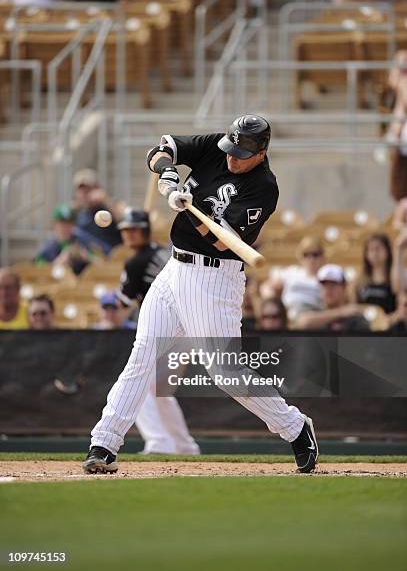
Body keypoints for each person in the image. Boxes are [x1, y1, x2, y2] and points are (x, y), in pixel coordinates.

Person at [83, 114, 319, 476]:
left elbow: (223, 242)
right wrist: (167, 174)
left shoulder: (263, 187)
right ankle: (105, 442)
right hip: (174, 269)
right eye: (231, 149)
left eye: (241, 153)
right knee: (142, 355)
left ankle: (295, 427)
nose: (232, 158)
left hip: (214, 279)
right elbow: (162, 148)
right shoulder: (218, 147)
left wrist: (190, 208)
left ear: (261, 152)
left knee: (225, 372)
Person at [116, 207, 200, 455]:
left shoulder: (136, 262)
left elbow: (122, 303)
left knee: (139, 385)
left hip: (169, 327)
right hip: (188, 326)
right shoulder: (166, 251)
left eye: (135, 230)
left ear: (145, 231)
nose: (130, 235)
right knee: (159, 391)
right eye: (127, 230)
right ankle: (185, 446)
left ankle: (159, 442)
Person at [259, 236, 324, 322]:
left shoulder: (326, 275)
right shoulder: (292, 272)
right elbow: (266, 287)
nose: (311, 259)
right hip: (288, 314)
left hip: (314, 316)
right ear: (300, 257)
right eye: (306, 254)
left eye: (315, 254)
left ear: (322, 256)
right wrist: (278, 305)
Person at [297, 264, 370, 332]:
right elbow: (303, 323)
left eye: (333, 285)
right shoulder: (314, 310)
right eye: (324, 285)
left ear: (344, 287)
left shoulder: (354, 317)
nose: (328, 290)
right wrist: (341, 312)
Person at [73, 168, 123, 255]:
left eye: (88, 189)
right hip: (90, 263)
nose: (85, 193)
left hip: (112, 260)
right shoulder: (78, 212)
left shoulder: (110, 205)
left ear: (97, 188)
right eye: (81, 190)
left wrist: (106, 200)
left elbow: (124, 219)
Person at [35, 204, 95, 276]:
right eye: (62, 224)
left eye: (69, 223)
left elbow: (102, 265)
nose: (66, 227)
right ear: (54, 224)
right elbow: (36, 272)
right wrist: (59, 261)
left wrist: (86, 257)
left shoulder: (82, 242)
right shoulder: (47, 249)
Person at [353, 233, 396, 314]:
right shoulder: (359, 280)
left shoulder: (394, 278)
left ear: (387, 251)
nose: (375, 253)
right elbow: (355, 307)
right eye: (371, 249)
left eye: (378, 248)